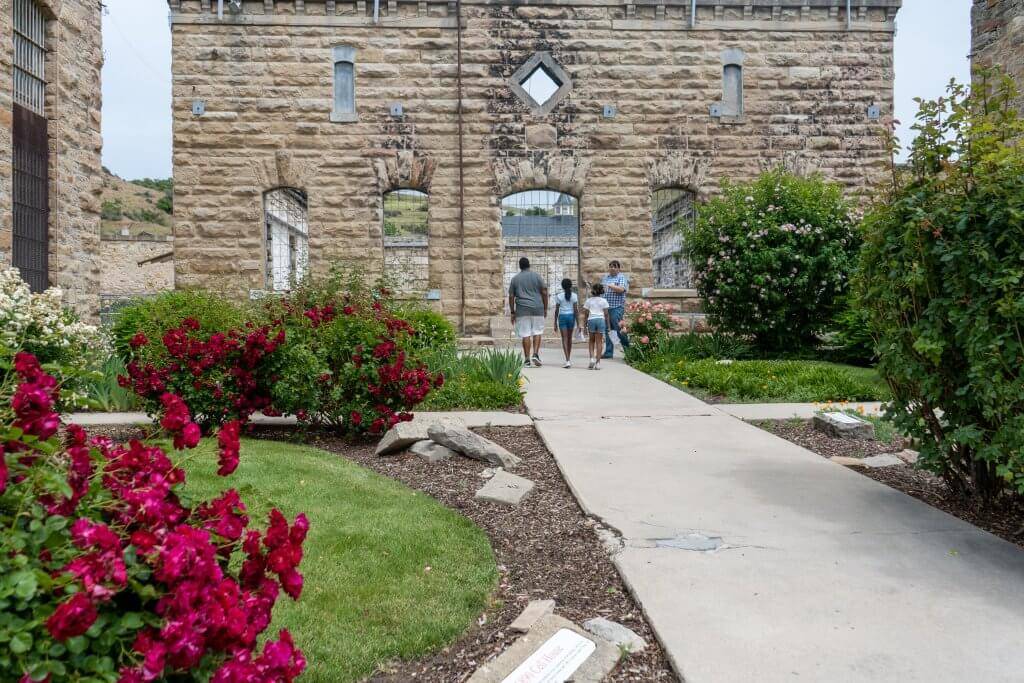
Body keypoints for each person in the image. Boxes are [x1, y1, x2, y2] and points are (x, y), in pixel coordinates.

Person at [508, 256, 548, 367]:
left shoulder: (515, 279)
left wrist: (512, 312)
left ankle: (526, 359)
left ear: (520, 266)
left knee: (525, 334)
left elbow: (511, 296)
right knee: (537, 332)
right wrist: (545, 308)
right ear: (529, 265)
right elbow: (544, 292)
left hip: (522, 310)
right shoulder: (537, 276)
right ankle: (535, 354)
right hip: (537, 308)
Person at [601, 260, 631, 359]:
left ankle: (629, 351)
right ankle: (608, 352)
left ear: (618, 268)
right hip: (606, 308)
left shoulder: (621, 277)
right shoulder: (605, 278)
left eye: (614, 266)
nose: (612, 268)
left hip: (616, 308)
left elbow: (621, 289)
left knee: (619, 329)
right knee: (608, 330)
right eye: (610, 266)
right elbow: (602, 290)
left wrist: (610, 285)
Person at [553, 278, 579, 368]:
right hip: (571, 317)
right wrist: (578, 323)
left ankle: (567, 360)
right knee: (569, 338)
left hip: (562, 317)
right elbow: (576, 310)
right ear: (571, 285)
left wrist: (555, 322)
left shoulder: (559, 296)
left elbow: (556, 310)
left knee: (564, 338)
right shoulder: (574, 296)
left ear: (562, 286)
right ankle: (569, 358)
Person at [583, 283, 611, 370]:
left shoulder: (588, 301)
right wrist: (609, 326)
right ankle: (598, 363)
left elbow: (586, 314)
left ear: (592, 291)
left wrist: (584, 326)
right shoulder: (604, 301)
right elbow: (606, 314)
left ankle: (592, 358)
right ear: (601, 291)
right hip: (600, 320)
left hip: (591, 320)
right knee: (599, 342)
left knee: (591, 341)